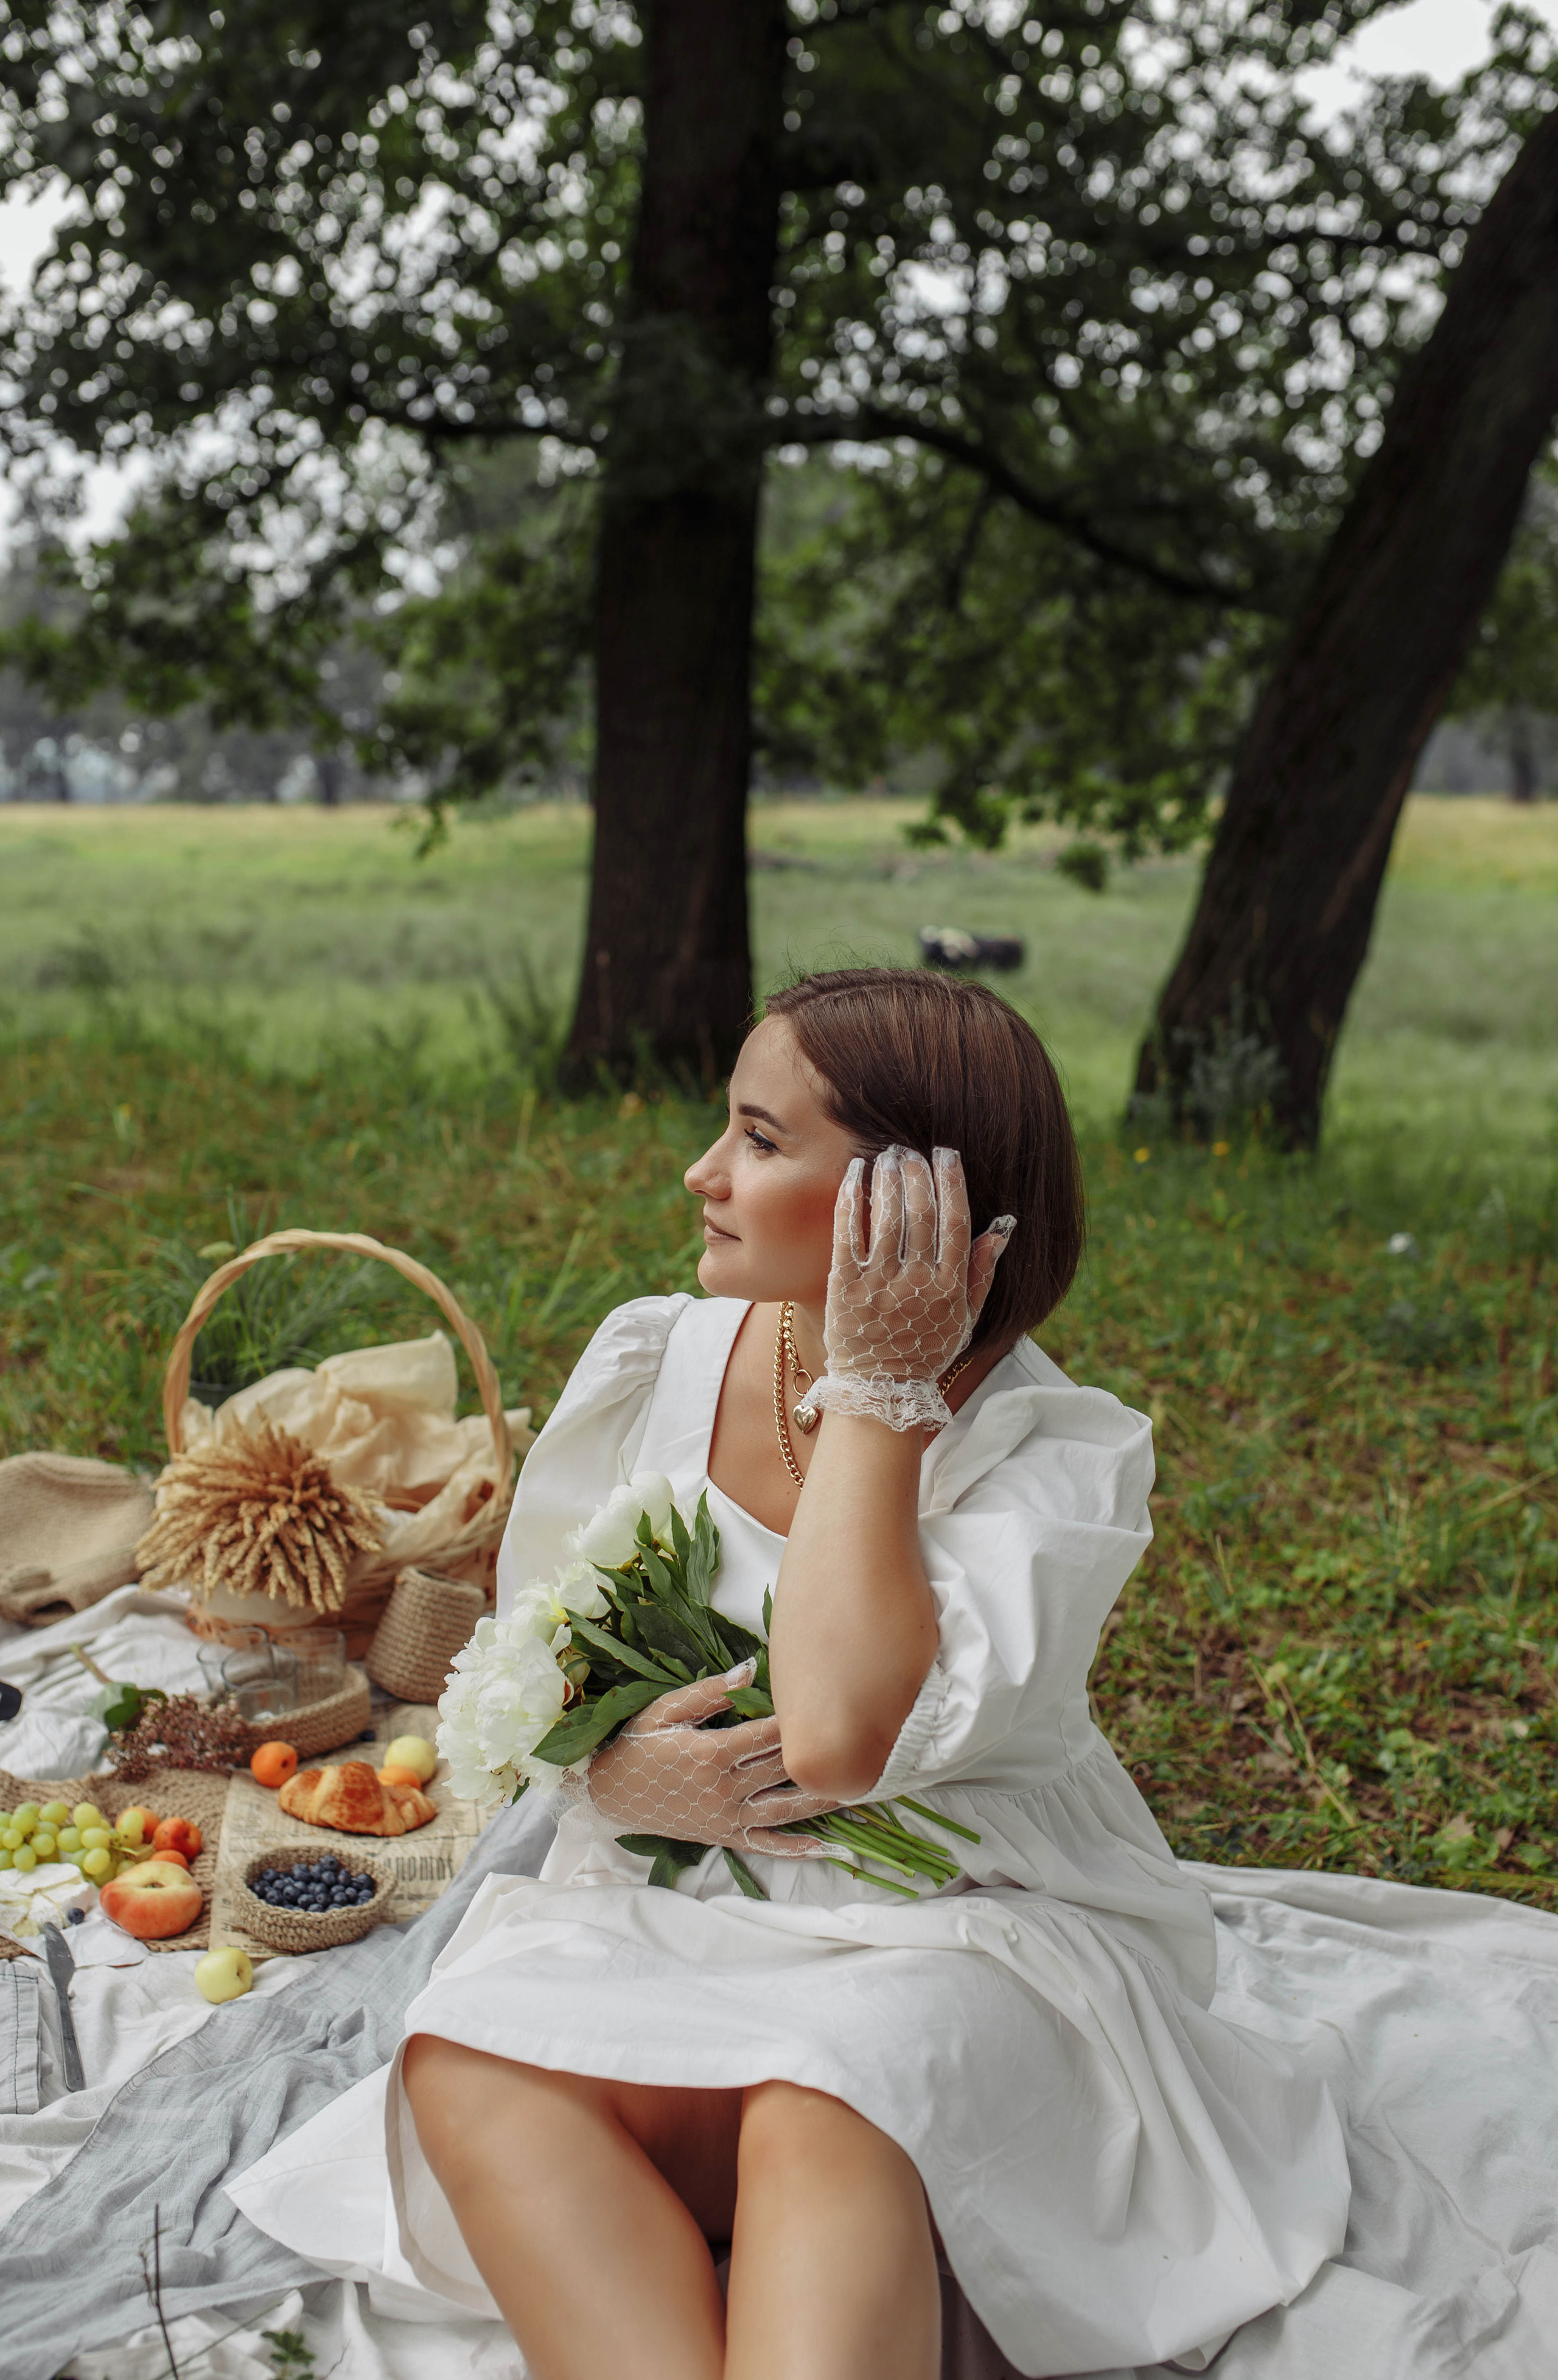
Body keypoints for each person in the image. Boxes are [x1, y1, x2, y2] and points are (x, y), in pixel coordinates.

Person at [235, 966, 1348, 2380]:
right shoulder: (659, 1358)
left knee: (829, 2090)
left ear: (916, 1204)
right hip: (669, 1906)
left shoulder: (1057, 1460)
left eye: (759, 1142)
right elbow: (538, 1656)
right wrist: (610, 1772)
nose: (701, 1173)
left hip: (951, 1923)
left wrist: (876, 1395)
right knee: (471, 2057)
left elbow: (832, 1740)